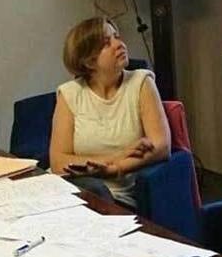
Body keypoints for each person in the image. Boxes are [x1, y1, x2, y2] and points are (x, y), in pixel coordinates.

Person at [50, 17, 170, 207]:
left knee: (96, 190)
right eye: (107, 43)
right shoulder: (69, 93)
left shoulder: (141, 82)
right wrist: (120, 155)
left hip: (116, 196)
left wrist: (115, 169)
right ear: (89, 61)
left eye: (116, 37)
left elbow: (162, 146)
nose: (119, 44)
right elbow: (59, 163)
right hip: (71, 190)